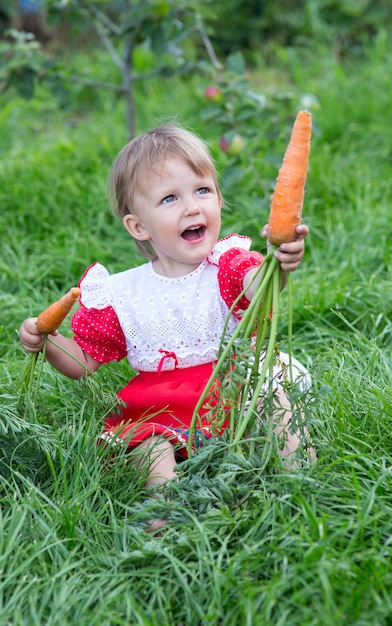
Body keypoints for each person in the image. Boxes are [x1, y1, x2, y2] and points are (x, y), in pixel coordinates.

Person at [19, 123, 312, 531]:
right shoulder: (122, 293)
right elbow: (83, 362)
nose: (192, 207)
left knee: (274, 396)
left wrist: (279, 260)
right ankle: (167, 512)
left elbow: (260, 287)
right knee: (151, 448)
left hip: (232, 385)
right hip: (161, 405)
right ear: (139, 226)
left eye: (202, 191)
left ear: (219, 200)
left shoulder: (228, 266)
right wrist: (46, 340)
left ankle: (301, 482)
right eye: (170, 198)